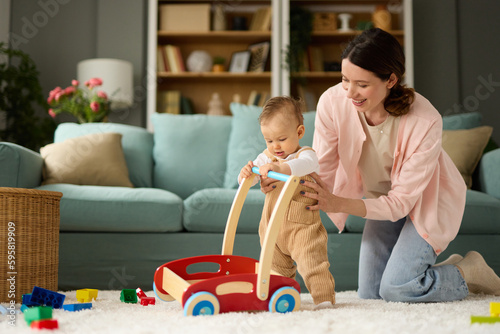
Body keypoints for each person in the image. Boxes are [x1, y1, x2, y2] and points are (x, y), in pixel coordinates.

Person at [264, 28, 500, 302]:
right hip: (381, 201)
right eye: (344, 79)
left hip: (424, 202)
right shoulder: (333, 102)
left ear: (390, 80)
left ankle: (467, 272)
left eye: (362, 84)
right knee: (370, 295)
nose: (350, 92)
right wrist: (282, 179)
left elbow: (400, 203)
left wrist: (338, 203)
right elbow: (321, 167)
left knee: (397, 288)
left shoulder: (426, 121)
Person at [238, 96, 336, 308]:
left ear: (299, 132)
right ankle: (281, 298)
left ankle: (324, 300)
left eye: (281, 139)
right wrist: (247, 173)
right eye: (269, 140)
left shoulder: (306, 155)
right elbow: (252, 176)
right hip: (271, 226)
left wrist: (281, 168)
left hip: (303, 229)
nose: (275, 147)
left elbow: (304, 165)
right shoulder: (267, 157)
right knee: (273, 269)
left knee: (312, 264)